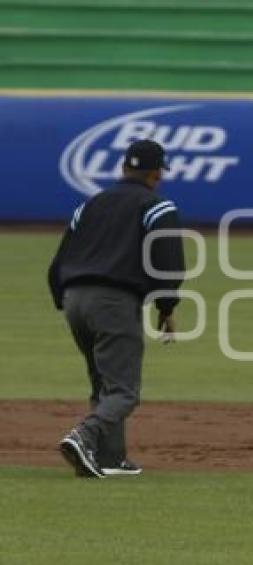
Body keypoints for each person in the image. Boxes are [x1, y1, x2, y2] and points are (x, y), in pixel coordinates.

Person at [49, 139, 185, 478]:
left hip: (74, 300)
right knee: (124, 391)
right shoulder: (157, 206)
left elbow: (58, 262)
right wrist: (166, 306)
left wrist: (63, 299)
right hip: (114, 302)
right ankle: (83, 436)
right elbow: (169, 261)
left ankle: (110, 458)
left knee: (103, 385)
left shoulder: (90, 205)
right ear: (156, 174)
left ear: (124, 168)